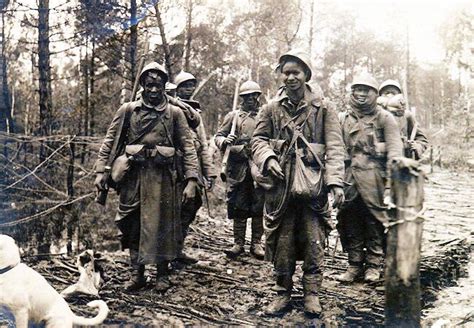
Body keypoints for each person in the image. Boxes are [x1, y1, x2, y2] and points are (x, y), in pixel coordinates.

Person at [251, 49, 345, 316]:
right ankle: (282, 294)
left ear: (306, 75)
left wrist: (335, 182)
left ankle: (312, 294)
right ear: (281, 76)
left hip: (313, 187)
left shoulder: (324, 108)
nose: (290, 77)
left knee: (314, 241)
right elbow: (257, 140)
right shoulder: (270, 108)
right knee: (282, 242)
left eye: (296, 72)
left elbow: (336, 147)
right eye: (286, 72)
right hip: (281, 190)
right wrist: (268, 158)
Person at [94, 62, 200, 292]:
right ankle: (137, 274)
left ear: (164, 86)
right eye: (149, 85)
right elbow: (109, 142)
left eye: (158, 85)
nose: (154, 90)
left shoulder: (175, 113)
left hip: (164, 178)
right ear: (142, 84)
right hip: (133, 177)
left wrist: (192, 180)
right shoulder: (128, 110)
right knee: (132, 224)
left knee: (164, 224)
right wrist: (101, 171)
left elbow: (188, 147)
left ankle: (162, 274)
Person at [336, 73, 403, 283]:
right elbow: (334, 149)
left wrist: (393, 183)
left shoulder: (385, 118)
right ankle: (354, 264)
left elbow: (395, 151)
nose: (361, 94)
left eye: (367, 90)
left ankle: (374, 264)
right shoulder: (342, 118)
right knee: (349, 220)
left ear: (375, 93)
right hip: (349, 178)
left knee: (374, 220)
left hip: (375, 178)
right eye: (357, 89)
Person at [214, 80, 265, 260]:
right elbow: (218, 136)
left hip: (259, 165)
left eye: (254, 96)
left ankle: (257, 243)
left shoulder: (265, 115)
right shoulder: (233, 116)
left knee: (259, 205)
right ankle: (238, 243)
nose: (251, 99)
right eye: (246, 97)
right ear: (242, 98)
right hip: (238, 167)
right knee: (239, 205)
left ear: (258, 97)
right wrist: (225, 142)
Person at [172, 71, 217, 267]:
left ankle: (177, 249)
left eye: (191, 86)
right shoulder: (169, 108)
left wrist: (209, 172)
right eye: (184, 86)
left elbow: (203, 144)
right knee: (173, 209)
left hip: (193, 166)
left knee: (192, 206)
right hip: (174, 167)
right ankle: (167, 253)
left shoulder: (195, 112)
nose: (188, 90)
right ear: (176, 89)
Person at [377, 79, 428, 159]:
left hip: (403, 160)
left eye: (393, 93)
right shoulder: (375, 115)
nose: (390, 96)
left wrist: (417, 146)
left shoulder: (407, 116)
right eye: (386, 93)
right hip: (380, 162)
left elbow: (421, 139)